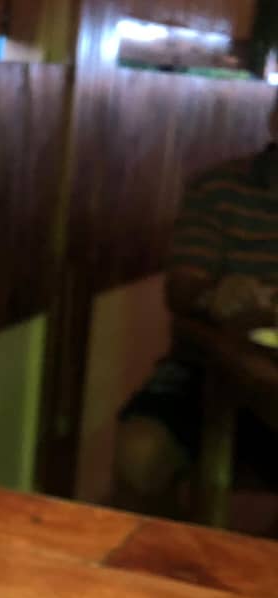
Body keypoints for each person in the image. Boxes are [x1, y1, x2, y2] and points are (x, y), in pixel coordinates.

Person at [114, 91, 278, 517]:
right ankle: (160, 557)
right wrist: (216, 297)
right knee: (139, 453)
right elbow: (182, 291)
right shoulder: (220, 190)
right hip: (206, 372)